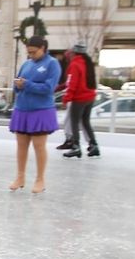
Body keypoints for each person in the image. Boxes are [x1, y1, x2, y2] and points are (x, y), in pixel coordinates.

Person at [10, 36, 62, 193]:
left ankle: (40, 179)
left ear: (43, 48)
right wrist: (18, 85)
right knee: (21, 145)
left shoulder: (52, 64)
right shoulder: (26, 64)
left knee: (39, 146)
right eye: (29, 52)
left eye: (33, 52)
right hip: (22, 108)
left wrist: (26, 84)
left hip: (40, 110)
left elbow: (49, 88)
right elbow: (18, 84)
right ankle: (20, 176)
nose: (31, 55)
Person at [59, 42, 99, 159]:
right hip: (90, 97)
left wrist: (66, 99)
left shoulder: (75, 64)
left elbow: (72, 84)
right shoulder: (88, 63)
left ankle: (76, 146)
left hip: (79, 98)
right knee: (86, 122)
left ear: (74, 52)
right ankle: (93, 145)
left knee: (74, 122)